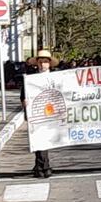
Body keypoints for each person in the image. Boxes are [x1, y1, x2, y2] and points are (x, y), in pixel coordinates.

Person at [21, 49, 59, 178]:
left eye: (45, 62)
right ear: (37, 63)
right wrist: (25, 102)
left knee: (46, 138)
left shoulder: (57, 77)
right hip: (36, 111)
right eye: (41, 62)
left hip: (52, 111)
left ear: (50, 64)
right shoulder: (30, 79)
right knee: (38, 137)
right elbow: (23, 95)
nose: (43, 64)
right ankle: (43, 166)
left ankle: (41, 166)